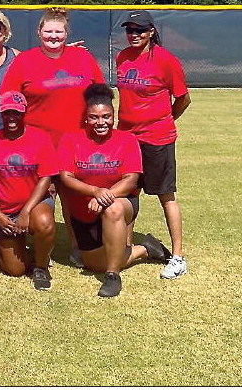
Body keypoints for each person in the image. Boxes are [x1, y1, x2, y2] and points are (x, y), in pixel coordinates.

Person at [56, 84, 171, 298]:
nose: (101, 122)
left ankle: (112, 276)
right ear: (86, 118)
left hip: (121, 203)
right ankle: (145, 248)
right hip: (84, 211)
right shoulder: (71, 140)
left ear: (114, 116)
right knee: (94, 264)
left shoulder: (127, 140)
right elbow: (66, 177)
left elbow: (131, 180)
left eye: (106, 116)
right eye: (94, 117)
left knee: (113, 209)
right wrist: (95, 191)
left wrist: (104, 197)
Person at [116, 9, 191, 280]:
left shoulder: (165, 60)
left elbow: (183, 98)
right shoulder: (122, 57)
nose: (134, 35)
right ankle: (125, 247)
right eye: (130, 30)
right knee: (127, 194)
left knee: (165, 195)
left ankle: (178, 256)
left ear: (151, 32)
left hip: (157, 138)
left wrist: (165, 119)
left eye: (140, 30)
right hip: (126, 138)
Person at [0, 91, 56, 291]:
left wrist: (26, 212)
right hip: (3, 209)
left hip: (33, 205)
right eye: (7, 113)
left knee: (44, 221)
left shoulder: (40, 138)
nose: (12, 118)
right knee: (15, 270)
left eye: (17, 113)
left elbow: (45, 177)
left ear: (24, 113)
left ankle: (41, 266)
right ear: (1, 114)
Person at [0, 7, 105, 145]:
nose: (53, 36)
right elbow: (7, 99)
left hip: (79, 140)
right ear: (39, 32)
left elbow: (101, 96)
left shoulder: (83, 57)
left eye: (59, 32)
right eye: (48, 31)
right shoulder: (24, 60)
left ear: (66, 34)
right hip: (36, 142)